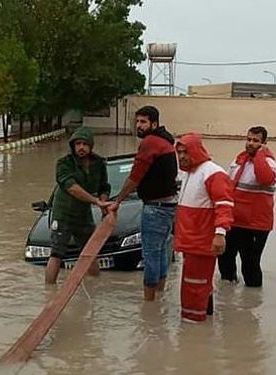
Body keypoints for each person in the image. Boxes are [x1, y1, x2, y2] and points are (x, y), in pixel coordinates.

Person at [109, 106, 178, 301]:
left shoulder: (150, 142)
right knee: (161, 251)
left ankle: (148, 303)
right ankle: (160, 296)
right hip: (169, 205)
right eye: (137, 121)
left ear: (153, 124)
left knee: (150, 255)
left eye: (143, 122)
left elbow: (135, 177)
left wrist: (118, 200)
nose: (138, 125)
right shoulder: (166, 141)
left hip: (155, 208)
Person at [174, 133, 234, 323]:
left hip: (201, 242)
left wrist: (220, 234)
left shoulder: (213, 173)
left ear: (196, 151)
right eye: (179, 152)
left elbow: (224, 205)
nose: (182, 156)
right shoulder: (190, 173)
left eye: (185, 152)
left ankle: (192, 328)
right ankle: (203, 318)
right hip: (191, 241)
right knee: (199, 284)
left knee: (195, 286)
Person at [45, 127, 112, 284]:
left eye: (85, 144)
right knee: (56, 254)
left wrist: (103, 202)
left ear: (91, 145)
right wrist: (96, 201)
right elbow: (71, 187)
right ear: (73, 146)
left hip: (83, 214)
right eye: (78, 144)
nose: (81, 147)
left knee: (90, 253)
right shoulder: (64, 163)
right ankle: (49, 291)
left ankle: (94, 287)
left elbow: (104, 186)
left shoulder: (99, 163)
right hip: (63, 214)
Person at [218, 125, 276, 287]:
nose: (250, 143)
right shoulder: (238, 161)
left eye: (255, 141)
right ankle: (227, 295)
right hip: (234, 221)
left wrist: (259, 155)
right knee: (224, 257)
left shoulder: (269, 163)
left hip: (256, 225)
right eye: (248, 139)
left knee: (250, 264)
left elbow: (265, 178)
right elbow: (227, 188)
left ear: (264, 143)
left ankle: (252, 301)